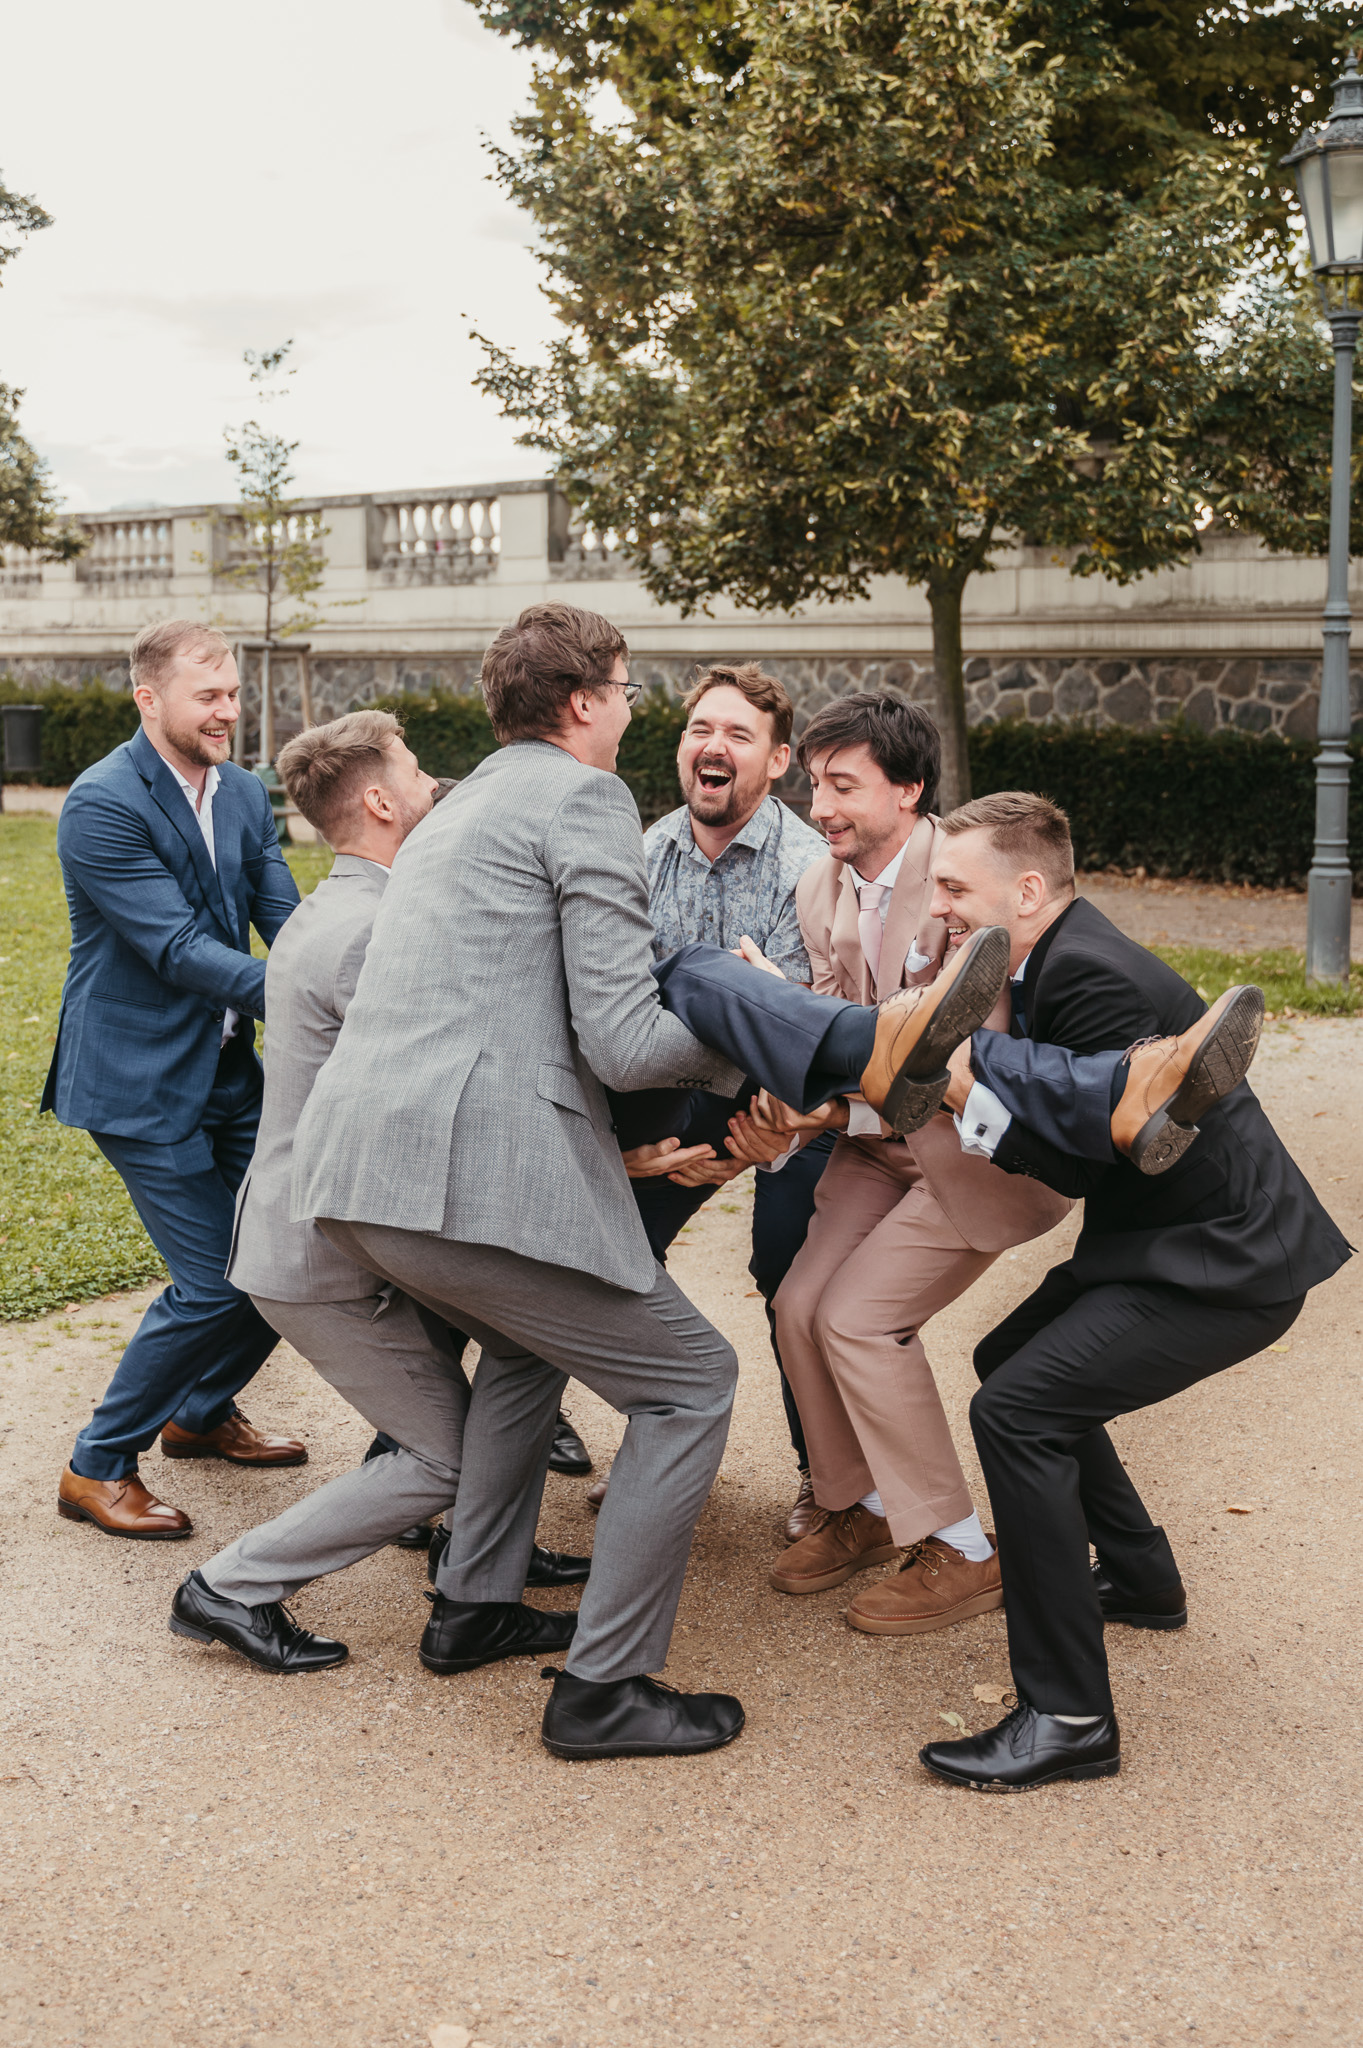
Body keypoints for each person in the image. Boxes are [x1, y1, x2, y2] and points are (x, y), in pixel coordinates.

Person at [288, 603, 981, 1759]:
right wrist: (761, 1046)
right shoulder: (584, 798)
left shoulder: (458, 809)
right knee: (690, 1382)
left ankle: (473, 1601)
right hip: (481, 1172)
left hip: (369, 1171)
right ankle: (603, 1688)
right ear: (583, 702)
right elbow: (618, 1040)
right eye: (624, 690)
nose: (633, 711)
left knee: (527, 1351)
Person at [911, 792, 1350, 1791]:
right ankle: (1142, 1577)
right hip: (1166, 1246)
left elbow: (1082, 1158)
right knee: (1006, 1359)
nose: (937, 905)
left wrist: (953, 1070)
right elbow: (1079, 1150)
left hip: (1223, 1265)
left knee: (1014, 1412)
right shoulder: (1051, 960)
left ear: (1027, 891)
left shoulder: (1090, 976)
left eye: (953, 887)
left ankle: (1068, 1716)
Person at [168, 710, 588, 1673]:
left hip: (335, 1231)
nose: (433, 782)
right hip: (321, 1255)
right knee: (443, 1453)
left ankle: (483, 1568)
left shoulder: (342, 909)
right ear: (380, 801)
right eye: (415, 768)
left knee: (518, 1363)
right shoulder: (373, 933)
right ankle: (230, 1585)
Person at [744, 693, 1072, 1634]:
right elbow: (830, 1035)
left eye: (842, 786)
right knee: (797, 1305)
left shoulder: (965, 879)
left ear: (909, 790)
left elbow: (960, 1064)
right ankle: (865, 1505)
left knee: (857, 1319)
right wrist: (788, 1074)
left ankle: (964, 1548)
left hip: (969, 1155)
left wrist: (822, 1092)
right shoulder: (819, 887)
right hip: (872, 1145)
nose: (819, 808)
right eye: (815, 784)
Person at [47, 620, 303, 1540]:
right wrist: (317, 995)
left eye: (232, 693)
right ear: (148, 699)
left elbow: (282, 912)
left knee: (297, 1248)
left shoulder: (243, 791)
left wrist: (333, 960)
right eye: (209, 697)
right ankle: (95, 1466)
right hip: (138, 1078)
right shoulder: (101, 803)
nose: (228, 711)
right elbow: (178, 948)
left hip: (230, 1068)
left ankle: (198, 1412)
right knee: (215, 1279)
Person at [585, 662, 831, 1540]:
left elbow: (795, 1035)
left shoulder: (810, 868)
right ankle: (658, 1440)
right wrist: (631, 1151)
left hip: (790, 1102)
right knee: (604, 1248)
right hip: (675, 1091)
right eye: (700, 729)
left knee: (787, 1265)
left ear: (777, 761)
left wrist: (743, 1148)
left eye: (737, 734)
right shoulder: (643, 852)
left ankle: (826, 1478)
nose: (712, 746)